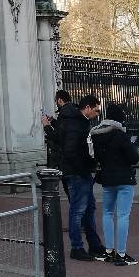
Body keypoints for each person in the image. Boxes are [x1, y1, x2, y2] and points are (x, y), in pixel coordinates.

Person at [89, 102, 139, 266]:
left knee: (107, 213)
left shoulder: (96, 134)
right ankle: (121, 253)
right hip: (124, 177)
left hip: (107, 177)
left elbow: (95, 157)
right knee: (123, 215)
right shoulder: (119, 134)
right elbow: (133, 158)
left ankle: (109, 250)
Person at [54, 94, 104, 261]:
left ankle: (94, 244)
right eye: (96, 110)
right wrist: (84, 168)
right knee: (78, 210)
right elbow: (71, 150)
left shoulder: (76, 120)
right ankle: (77, 247)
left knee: (89, 208)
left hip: (79, 171)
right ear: (87, 108)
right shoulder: (76, 123)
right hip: (77, 173)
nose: (97, 114)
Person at [41, 90, 72, 172]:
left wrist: (46, 125)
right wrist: (53, 121)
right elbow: (64, 128)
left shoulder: (64, 113)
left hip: (66, 156)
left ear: (59, 100)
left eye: (56, 101)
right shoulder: (73, 111)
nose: (56, 103)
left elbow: (56, 136)